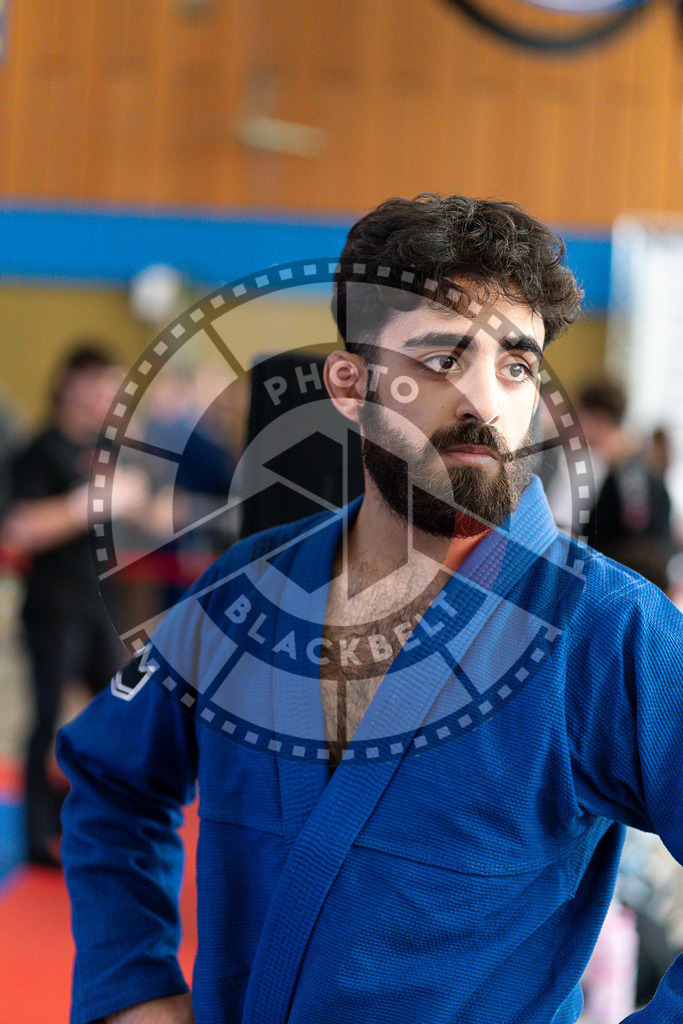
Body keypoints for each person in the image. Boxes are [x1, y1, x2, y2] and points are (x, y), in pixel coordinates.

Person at [57, 196, 683, 1024]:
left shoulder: (605, 630)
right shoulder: (244, 595)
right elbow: (111, 779)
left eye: (516, 365)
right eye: (441, 357)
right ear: (348, 386)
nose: (483, 400)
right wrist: (129, 980)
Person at [2, 343, 149, 866]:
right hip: (52, 606)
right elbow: (20, 528)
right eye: (98, 384)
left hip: (98, 605)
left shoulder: (103, 449)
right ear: (70, 383)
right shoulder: (40, 449)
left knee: (123, 714)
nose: (107, 397)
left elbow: (138, 516)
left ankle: (100, 820)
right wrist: (90, 503)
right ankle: (38, 837)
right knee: (46, 720)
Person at [578, 379, 675, 591]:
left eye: (581, 418)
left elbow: (639, 551)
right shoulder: (622, 470)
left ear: (598, 418)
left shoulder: (631, 475)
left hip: (625, 594)